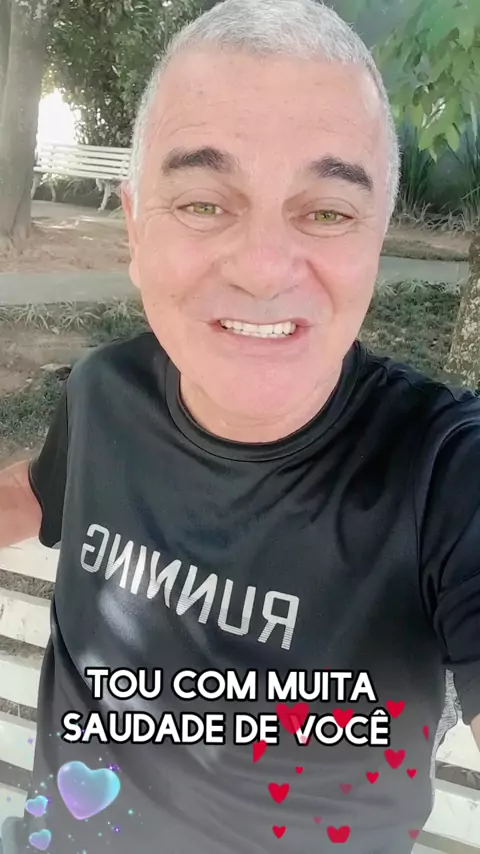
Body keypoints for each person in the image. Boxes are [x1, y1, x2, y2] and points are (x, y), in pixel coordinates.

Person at [0, 1, 479, 851]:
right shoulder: (104, 393)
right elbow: (35, 494)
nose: (262, 269)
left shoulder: (444, 474)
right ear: (134, 228)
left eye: (327, 212)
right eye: (202, 203)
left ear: (376, 240)